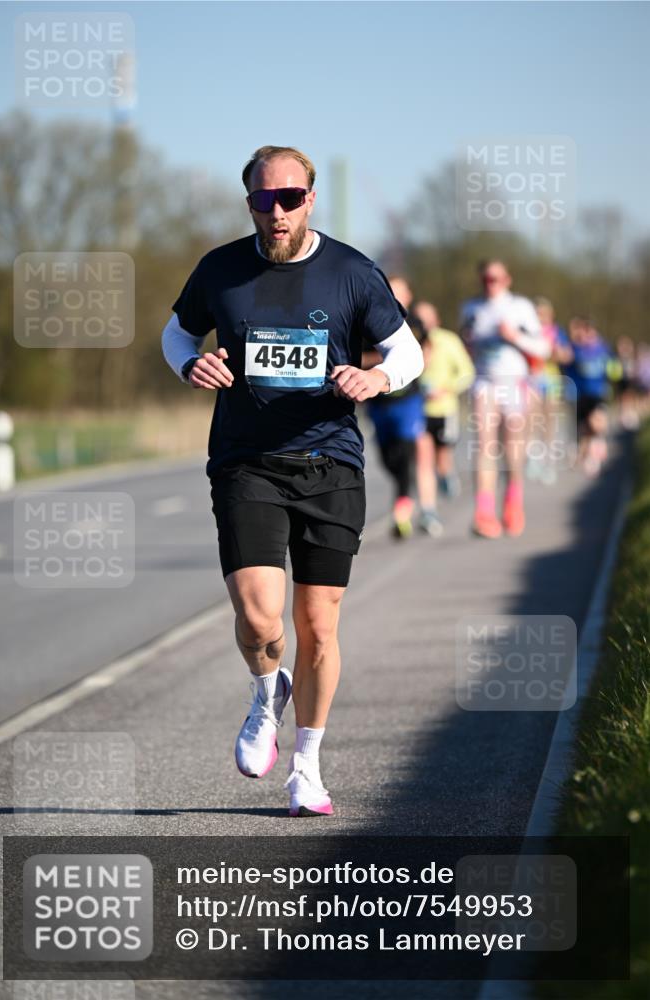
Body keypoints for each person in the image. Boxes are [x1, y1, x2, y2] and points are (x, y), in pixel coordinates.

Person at [162, 145, 423, 817]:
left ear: (310, 199)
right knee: (257, 616)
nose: (275, 211)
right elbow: (176, 335)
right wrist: (189, 366)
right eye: (262, 199)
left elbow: (407, 351)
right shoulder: (220, 268)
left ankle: (305, 764)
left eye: (289, 198)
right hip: (246, 460)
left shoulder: (350, 272)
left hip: (330, 462)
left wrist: (376, 376)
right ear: (247, 200)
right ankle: (263, 689)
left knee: (318, 624)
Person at [460, 259, 550, 538]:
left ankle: (513, 501)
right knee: (485, 445)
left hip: (515, 383)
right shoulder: (471, 308)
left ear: (507, 280)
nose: (491, 283)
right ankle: (484, 512)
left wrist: (514, 337)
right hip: (485, 382)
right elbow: (465, 343)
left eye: (496, 279)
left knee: (513, 448)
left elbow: (543, 348)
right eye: (487, 279)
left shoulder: (520, 307)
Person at [363, 276, 427, 538]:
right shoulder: (369, 323)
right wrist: (381, 359)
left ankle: (402, 509)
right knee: (387, 458)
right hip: (379, 401)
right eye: (392, 291)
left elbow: (422, 353)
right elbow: (359, 357)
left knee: (405, 456)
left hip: (408, 401)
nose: (396, 296)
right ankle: (403, 494)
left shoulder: (414, 324)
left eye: (401, 291)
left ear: (409, 296)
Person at [413, 301, 475, 536]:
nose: (424, 322)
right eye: (420, 318)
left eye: (428, 318)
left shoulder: (448, 341)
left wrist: (447, 389)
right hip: (418, 411)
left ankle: (447, 474)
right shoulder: (410, 342)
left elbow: (467, 373)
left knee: (442, 458)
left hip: (445, 409)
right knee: (423, 458)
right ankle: (428, 510)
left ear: (436, 319)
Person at [526, 297, 573, 485]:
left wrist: (555, 352)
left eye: (543, 313)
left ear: (550, 315)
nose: (541, 317)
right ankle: (534, 457)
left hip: (551, 379)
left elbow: (567, 356)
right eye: (537, 313)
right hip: (532, 379)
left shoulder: (556, 331)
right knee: (531, 419)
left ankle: (548, 462)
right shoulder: (529, 330)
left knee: (548, 421)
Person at [564, 316, 613, 476]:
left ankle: (596, 448)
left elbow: (612, 366)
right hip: (580, 393)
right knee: (584, 427)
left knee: (597, 421)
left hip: (598, 392)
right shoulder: (576, 348)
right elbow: (565, 362)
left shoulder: (603, 348)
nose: (587, 335)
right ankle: (586, 451)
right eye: (585, 331)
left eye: (590, 331)